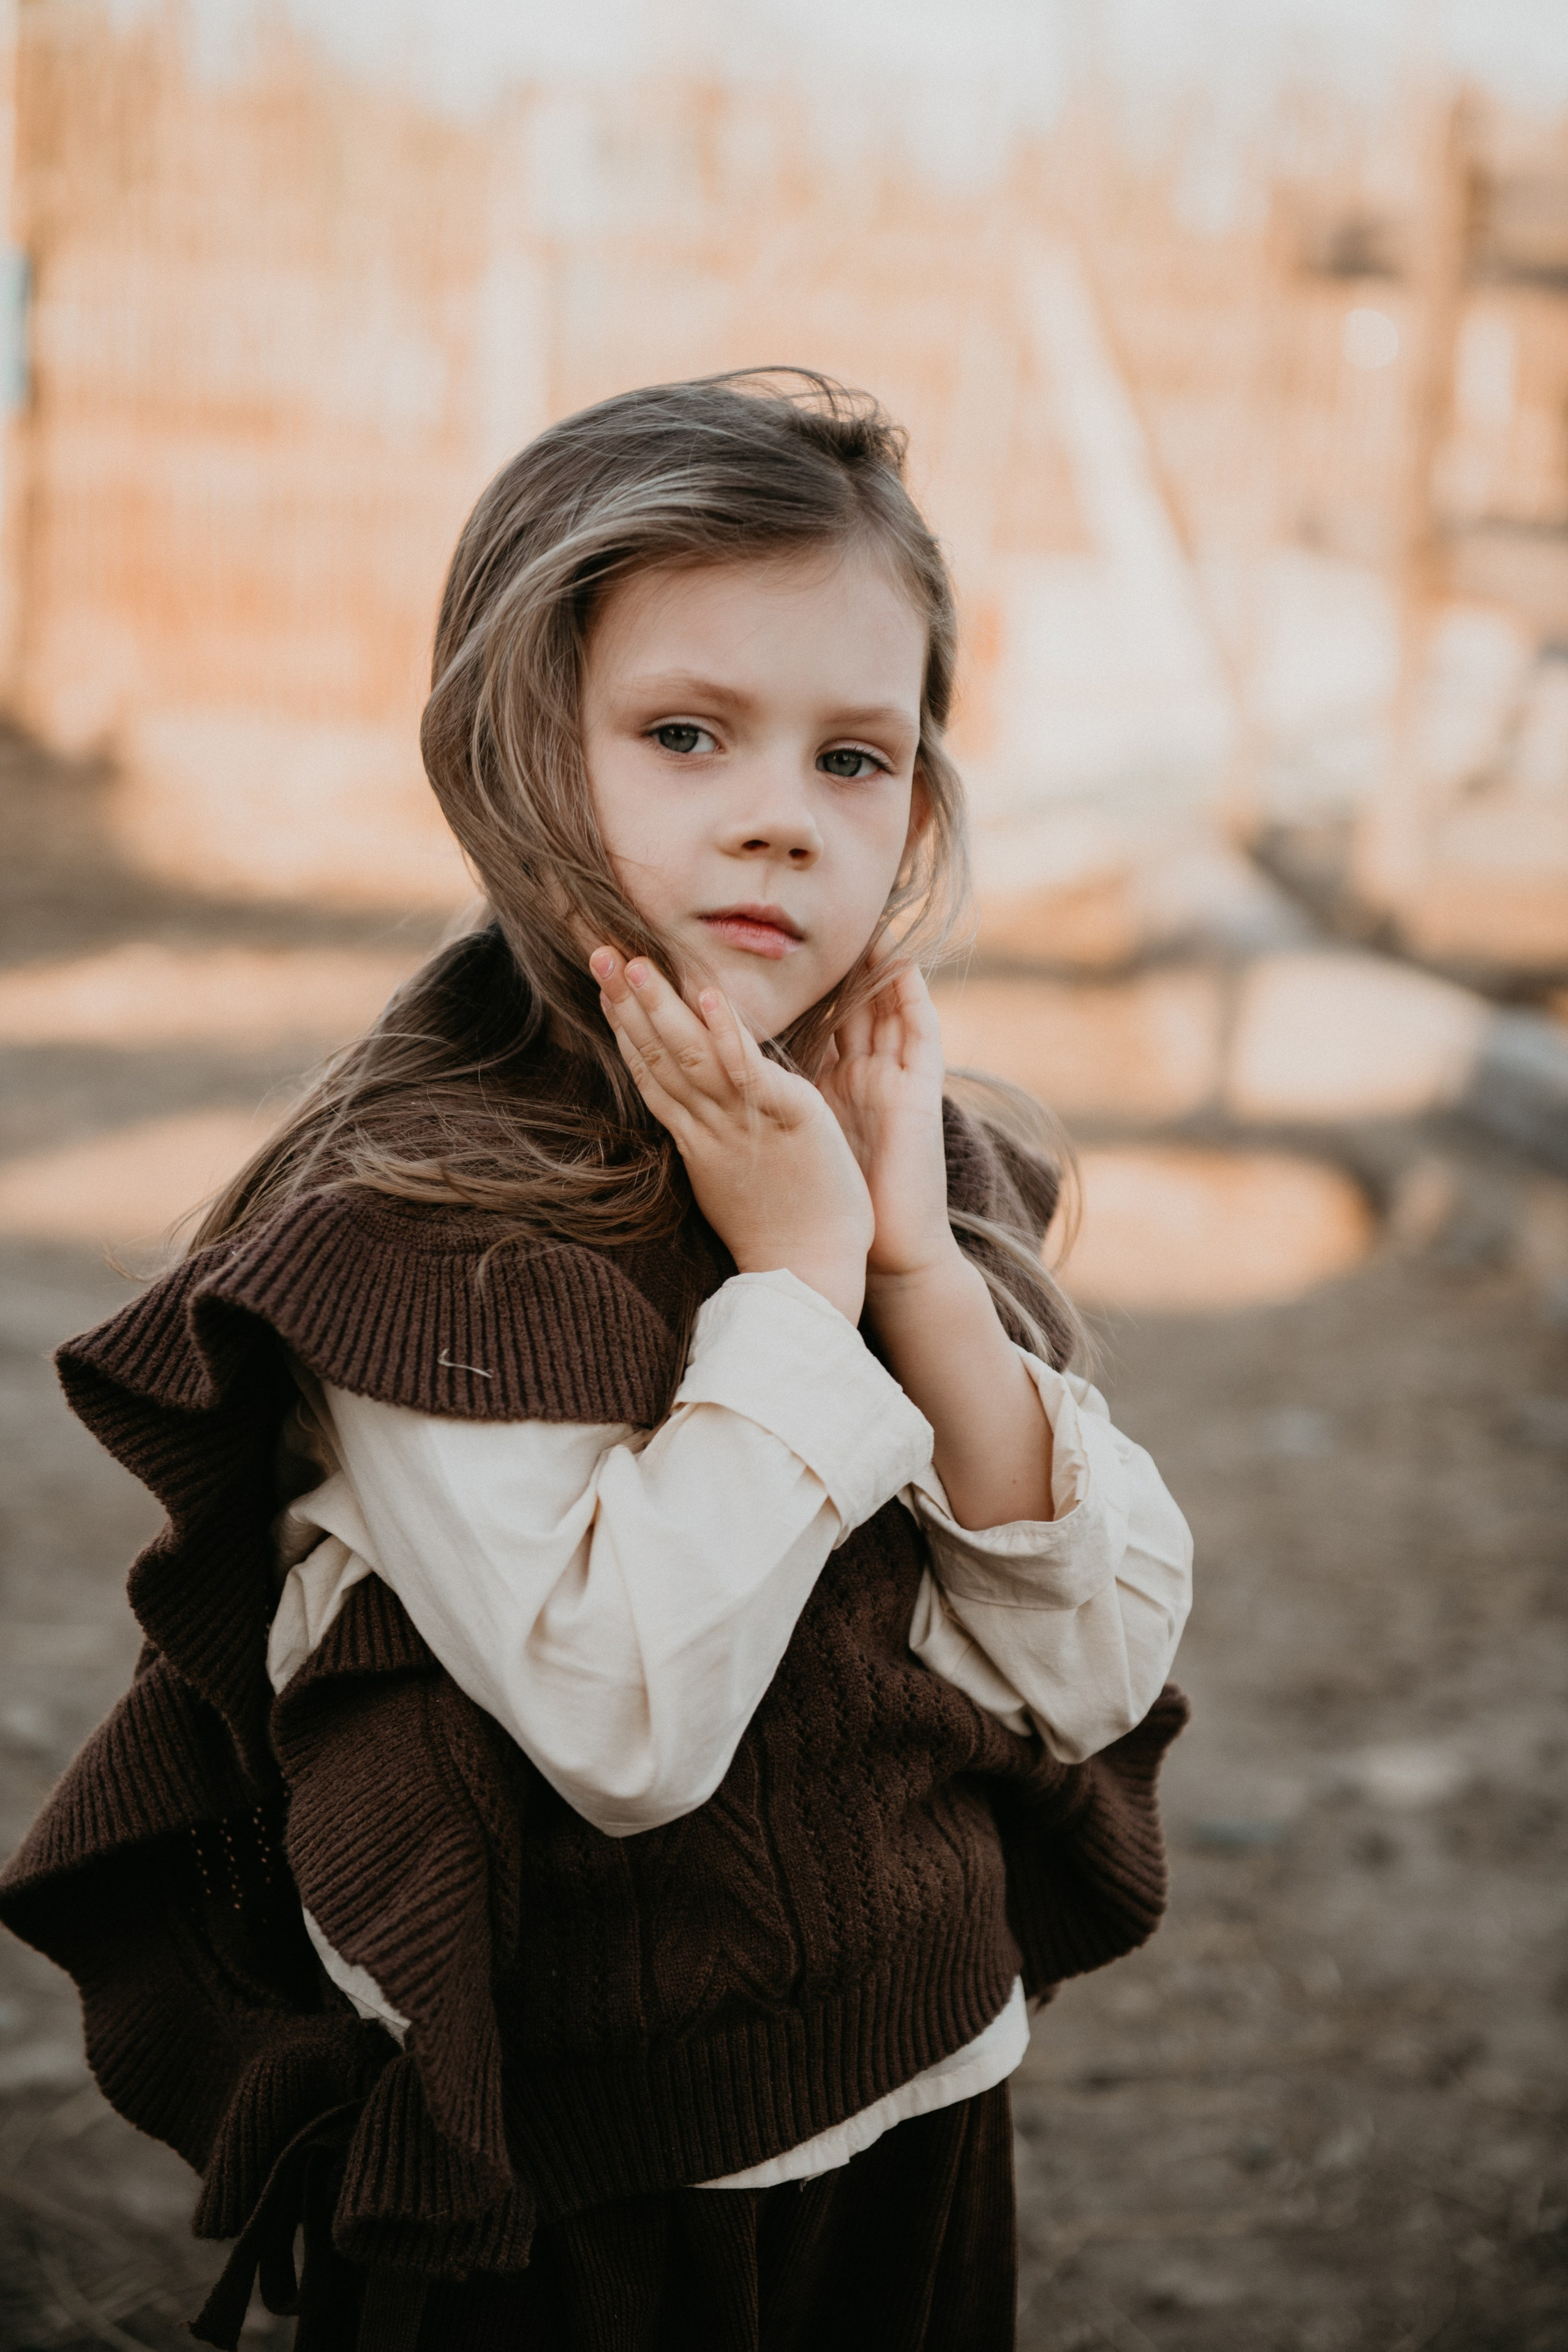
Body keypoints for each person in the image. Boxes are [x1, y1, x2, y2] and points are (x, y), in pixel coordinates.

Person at [0, 372, 1192, 2352]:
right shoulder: (424, 1229)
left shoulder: (898, 1141)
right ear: (516, 754)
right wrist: (797, 1288)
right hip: (583, 2197)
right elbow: (625, 1727)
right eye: (686, 734)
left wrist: (913, 1265)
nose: (777, 818)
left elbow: (1099, 1662)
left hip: (924, 2092)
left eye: (855, 760)